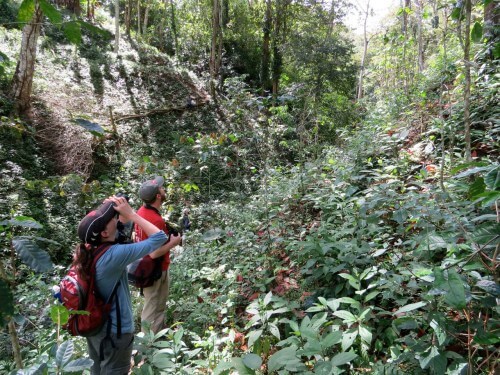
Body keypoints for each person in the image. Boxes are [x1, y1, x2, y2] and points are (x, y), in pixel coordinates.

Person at [74, 195, 175, 374]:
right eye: (111, 219)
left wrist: (115, 214)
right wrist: (132, 214)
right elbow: (159, 238)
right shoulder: (114, 255)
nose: (115, 219)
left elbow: (118, 235)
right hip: (116, 332)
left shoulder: (90, 249)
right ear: (104, 233)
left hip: (96, 328)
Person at [134, 176, 181, 333]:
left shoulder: (141, 212)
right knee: (153, 306)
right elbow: (154, 253)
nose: (164, 188)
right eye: (161, 188)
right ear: (158, 196)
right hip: (155, 269)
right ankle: (148, 344)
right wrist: (173, 243)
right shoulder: (155, 220)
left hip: (145, 267)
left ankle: (158, 333)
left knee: (155, 304)